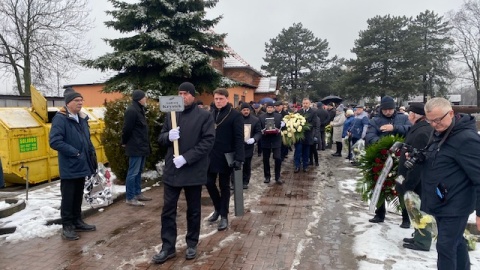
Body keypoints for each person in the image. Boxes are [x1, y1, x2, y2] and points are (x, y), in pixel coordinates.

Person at [152, 82, 215, 264]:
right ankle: (168, 247)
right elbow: (161, 137)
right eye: (180, 93)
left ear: (193, 96)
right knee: (168, 210)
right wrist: (168, 136)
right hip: (173, 171)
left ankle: (192, 243)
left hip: (192, 170)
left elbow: (207, 142)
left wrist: (186, 158)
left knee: (193, 210)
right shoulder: (172, 115)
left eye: (186, 93)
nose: (182, 96)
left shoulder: (204, 116)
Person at [421, 98, 480, 269]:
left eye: (438, 119)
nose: (434, 124)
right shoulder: (440, 132)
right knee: (456, 242)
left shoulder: (466, 139)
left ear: (451, 113)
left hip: (456, 204)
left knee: (445, 247)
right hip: (442, 200)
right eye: (430, 120)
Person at [49, 87, 97, 241]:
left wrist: (91, 155)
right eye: (77, 100)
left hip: (82, 163)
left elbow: (86, 139)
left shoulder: (81, 118)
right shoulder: (60, 118)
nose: (80, 103)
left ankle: (77, 221)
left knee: (77, 195)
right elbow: (55, 141)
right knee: (68, 196)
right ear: (68, 103)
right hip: (70, 164)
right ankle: (67, 225)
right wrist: (75, 152)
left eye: (81, 100)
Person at [365, 95, 411, 223]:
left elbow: (410, 130)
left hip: (401, 158)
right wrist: (384, 144)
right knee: (379, 184)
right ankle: (379, 214)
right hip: (382, 158)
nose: (388, 112)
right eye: (385, 110)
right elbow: (370, 136)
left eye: (390, 109)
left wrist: (394, 128)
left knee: (402, 185)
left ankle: (406, 217)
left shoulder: (403, 118)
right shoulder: (375, 120)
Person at [395, 102, 433, 251]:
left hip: (417, 179)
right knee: (415, 208)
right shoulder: (418, 129)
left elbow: (419, 161)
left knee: (419, 208)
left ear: (413, 115)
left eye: (409, 114)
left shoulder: (422, 132)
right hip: (411, 176)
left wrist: (409, 184)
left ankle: (422, 241)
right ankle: (418, 235)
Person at [206, 88, 245, 231]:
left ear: (227, 99)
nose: (218, 101)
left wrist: (239, 158)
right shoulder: (210, 114)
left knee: (224, 186)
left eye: (221, 99)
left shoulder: (235, 115)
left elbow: (239, 138)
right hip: (210, 156)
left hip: (225, 157)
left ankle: (224, 215)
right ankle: (218, 208)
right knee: (208, 182)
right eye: (216, 99)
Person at [121, 90, 152, 206]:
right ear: (139, 98)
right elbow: (127, 128)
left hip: (141, 145)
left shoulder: (139, 109)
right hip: (135, 146)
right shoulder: (132, 111)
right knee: (133, 172)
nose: (146, 99)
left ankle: (138, 193)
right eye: (144, 97)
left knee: (139, 171)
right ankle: (130, 197)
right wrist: (124, 142)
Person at [259, 101, 284, 184]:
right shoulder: (261, 117)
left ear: (273, 108)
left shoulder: (279, 116)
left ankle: (277, 177)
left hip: (276, 140)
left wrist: (283, 125)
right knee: (266, 159)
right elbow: (259, 127)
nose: (270, 109)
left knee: (278, 158)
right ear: (266, 108)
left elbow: (282, 127)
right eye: (268, 107)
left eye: (271, 107)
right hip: (265, 140)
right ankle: (267, 176)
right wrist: (262, 131)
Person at [240, 103, 262, 189]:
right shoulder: (236, 119)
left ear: (250, 110)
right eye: (244, 110)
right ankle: (234, 182)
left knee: (246, 164)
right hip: (237, 145)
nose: (246, 112)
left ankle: (245, 181)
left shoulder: (255, 120)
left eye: (247, 110)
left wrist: (254, 139)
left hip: (248, 146)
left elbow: (259, 132)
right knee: (236, 164)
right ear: (241, 111)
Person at [293, 98, 318, 172]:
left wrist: (304, 126)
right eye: (304, 103)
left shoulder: (313, 112)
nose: (305, 105)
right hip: (299, 136)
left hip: (307, 135)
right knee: (298, 151)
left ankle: (305, 166)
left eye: (306, 103)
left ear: (309, 104)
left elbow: (314, 123)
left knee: (306, 152)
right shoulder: (299, 112)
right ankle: (297, 166)